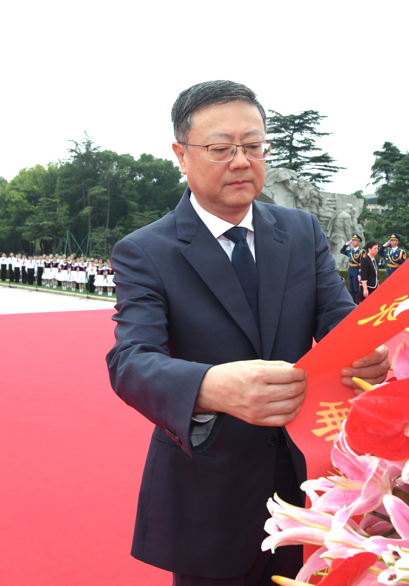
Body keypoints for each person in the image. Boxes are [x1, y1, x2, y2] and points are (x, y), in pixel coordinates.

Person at [105, 80, 389, 586]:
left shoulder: (301, 232)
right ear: (181, 155)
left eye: (254, 146)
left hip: (310, 486)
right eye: (221, 149)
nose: (241, 161)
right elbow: (130, 360)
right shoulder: (146, 250)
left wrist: (374, 350)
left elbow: (341, 323)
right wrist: (210, 387)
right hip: (209, 491)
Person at [339, 233, 363, 304]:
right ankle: (352, 304)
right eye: (353, 240)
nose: (353, 242)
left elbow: (363, 263)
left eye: (355, 240)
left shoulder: (361, 251)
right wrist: (347, 244)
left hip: (356, 271)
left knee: (356, 289)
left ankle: (357, 304)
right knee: (351, 289)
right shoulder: (350, 251)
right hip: (350, 270)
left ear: (359, 242)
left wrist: (360, 273)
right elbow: (342, 251)